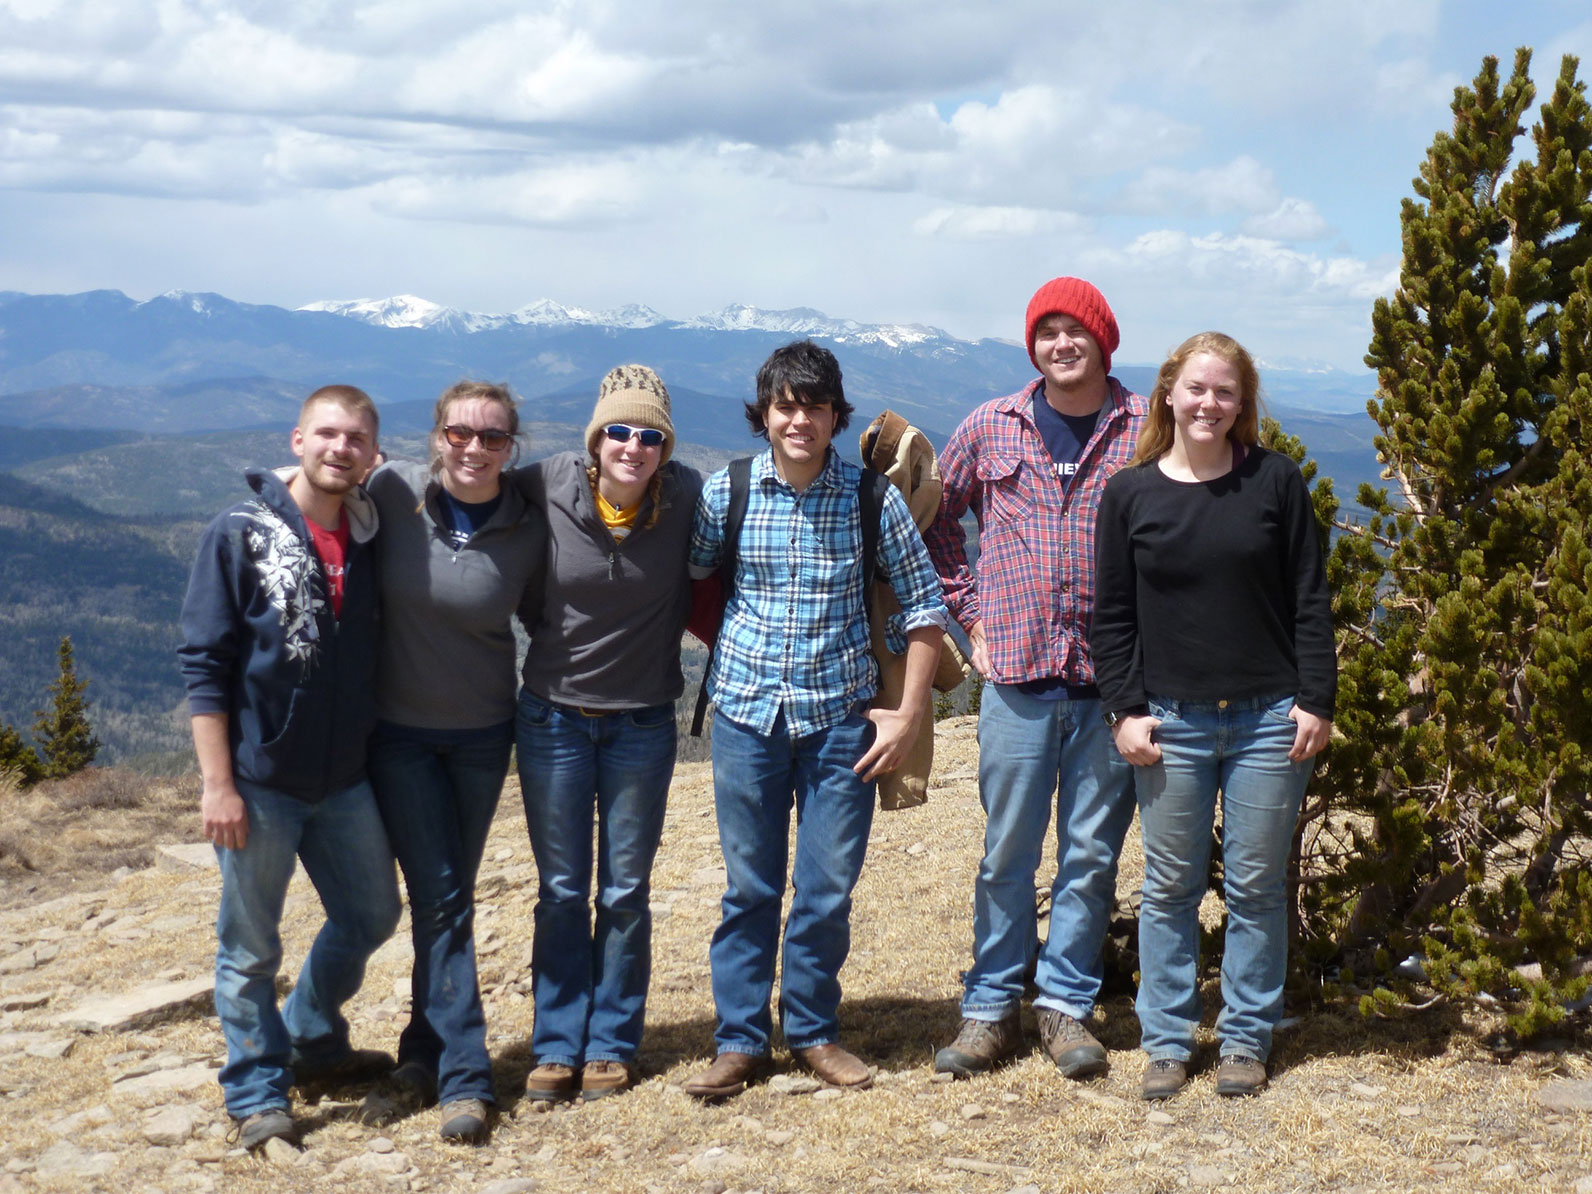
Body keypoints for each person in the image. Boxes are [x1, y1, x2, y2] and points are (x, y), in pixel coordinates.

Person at [682, 340, 948, 1100]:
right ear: (764, 414)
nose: (799, 419)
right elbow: (699, 578)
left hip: (842, 724)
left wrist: (904, 717)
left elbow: (926, 610)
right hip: (746, 716)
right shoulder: (727, 492)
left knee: (826, 888)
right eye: (785, 405)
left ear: (836, 416)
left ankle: (812, 1032)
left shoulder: (872, 498)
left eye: (814, 406)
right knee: (750, 888)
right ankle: (738, 1042)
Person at [1090, 331, 1335, 1100]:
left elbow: (1309, 599)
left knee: (1258, 887)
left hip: (1268, 718)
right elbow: (1113, 616)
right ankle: (1166, 1041)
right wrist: (1125, 710)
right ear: (1169, 393)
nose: (1209, 404)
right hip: (1170, 721)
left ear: (1242, 403)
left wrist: (1316, 700)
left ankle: (1243, 1040)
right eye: (1196, 388)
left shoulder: (1276, 483)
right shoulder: (1130, 494)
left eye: (1225, 392)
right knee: (1169, 886)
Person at [925, 277, 1144, 1080]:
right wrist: (970, 614)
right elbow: (937, 514)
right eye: (1046, 332)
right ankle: (990, 1008)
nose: (1061, 344)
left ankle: (1064, 1005)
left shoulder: (1145, 427)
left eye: (1075, 331)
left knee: (1091, 855)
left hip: (1112, 685)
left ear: (1102, 340)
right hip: (1015, 675)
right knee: (1005, 854)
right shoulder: (991, 425)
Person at [177, 385, 401, 1152]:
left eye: (357, 440)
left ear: (374, 455)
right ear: (298, 439)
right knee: (249, 948)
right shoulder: (239, 533)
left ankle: (311, 1036)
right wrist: (218, 786)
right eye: (328, 434)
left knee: (372, 914)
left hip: (343, 780)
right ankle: (257, 1089)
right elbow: (206, 666)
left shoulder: (372, 535)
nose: (342, 449)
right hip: (260, 780)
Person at [358, 381, 547, 1142]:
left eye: (493, 437)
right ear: (435, 435)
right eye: (459, 433)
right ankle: (468, 1079)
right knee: (441, 901)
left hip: (481, 735)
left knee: (449, 900)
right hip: (396, 735)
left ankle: (420, 1050)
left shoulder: (529, 526)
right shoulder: (391, 490)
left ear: (513, 446)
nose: (474, 448)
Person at [512, 365, 701, 1103]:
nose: (633, 445)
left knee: (624, 890)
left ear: (665, 446)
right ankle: (557, 1043)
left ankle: (612, 1043)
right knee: (561, 889)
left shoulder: (684, 495)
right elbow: (467, 488)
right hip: (553, 716)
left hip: (642, 723)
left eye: (649, 434)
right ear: (595, 437)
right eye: (618, 430)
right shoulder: (546, 482)